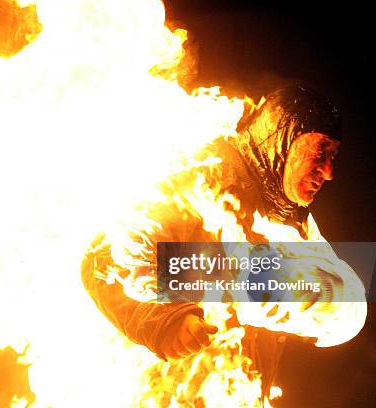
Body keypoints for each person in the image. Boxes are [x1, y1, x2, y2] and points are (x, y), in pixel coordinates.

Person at [81, 85, 359, 391]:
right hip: (165, 388)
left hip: (234, 389)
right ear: (282, 140)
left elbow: (347, 309)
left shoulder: (296, 223)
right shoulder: (204, 177)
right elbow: (105, 255)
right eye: (319, 151)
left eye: (333, 155)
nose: (329, 171)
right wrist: (167, 316)